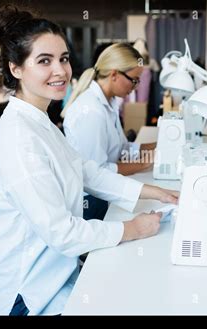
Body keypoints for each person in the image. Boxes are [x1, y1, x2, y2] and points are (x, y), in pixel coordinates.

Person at [0, 5, 178, 316]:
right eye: (44, 61)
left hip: (54, 272)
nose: (60, 71)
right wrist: (133, 229)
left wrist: (154, 192)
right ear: (16, 68)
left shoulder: (39, 122)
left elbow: (87, 172)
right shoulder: (18, 141)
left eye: (64, 59)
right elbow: (63, 233)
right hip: (24, 295)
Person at [62, 43, 157, 220]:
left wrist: (158, 147)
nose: (136, 86)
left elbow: (120, 148)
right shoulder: (91, 111)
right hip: (89, 201)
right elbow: (97, 173)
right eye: (134, 80)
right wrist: (145, 165)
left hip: (102, 192)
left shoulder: (109, 103)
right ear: (114, 74)